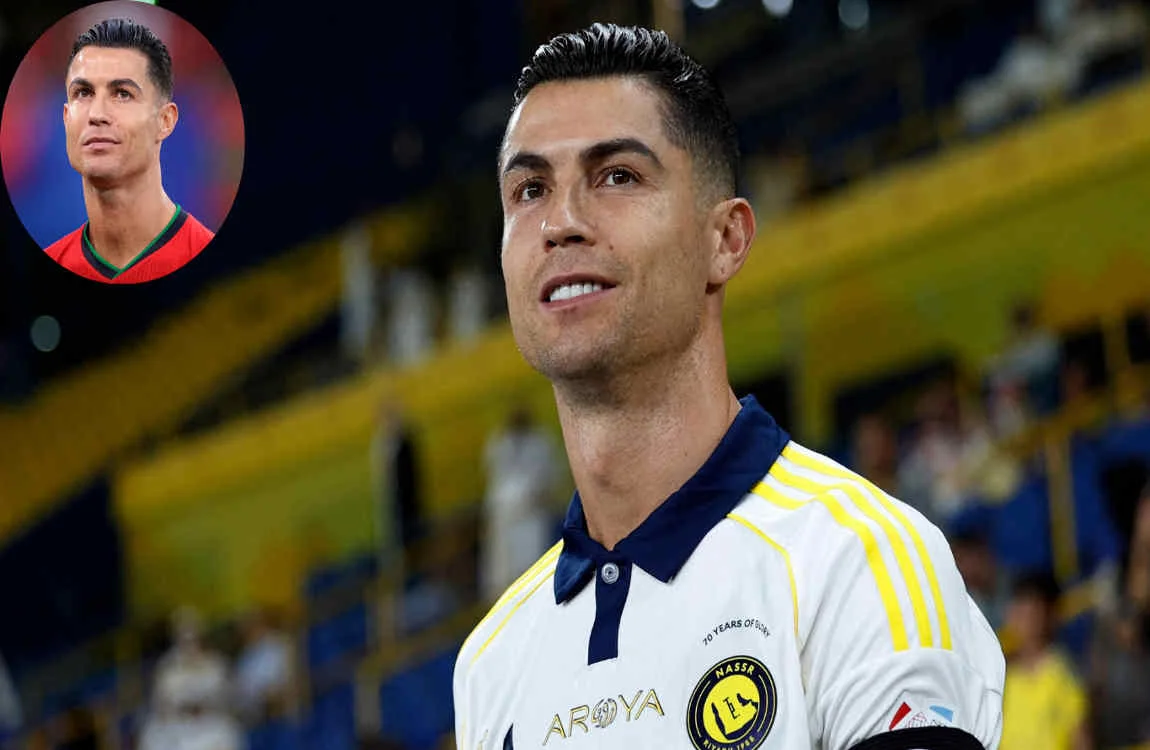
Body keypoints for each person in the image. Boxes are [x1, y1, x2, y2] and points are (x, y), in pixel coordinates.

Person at [453, 24, 1004, 750]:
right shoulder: (491, 664)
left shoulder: (860, 560)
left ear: (726, 240)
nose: (561, 222)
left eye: (617, 176)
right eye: (530, 190)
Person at [45, 17, 214, 284]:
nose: (97, 114)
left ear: (165, 121)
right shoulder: (40, 276)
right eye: (83, 93)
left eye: (122, 94)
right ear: (66, 118)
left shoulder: (216, 271)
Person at [999, 573, 1090, 750]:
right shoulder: (1003, 674)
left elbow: (1080, 739)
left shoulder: (1062, 675)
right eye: (1017, 611)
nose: (1020, 620)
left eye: (1029, 613)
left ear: (1048, 616)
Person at [480, 404, 562, 603]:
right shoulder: (499, 443)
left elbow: (551, 476)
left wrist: (541, 496)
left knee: (532, 564)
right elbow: (493, 477)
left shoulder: (541, 442)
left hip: (532, 513)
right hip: (505, 515)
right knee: (503, 568)